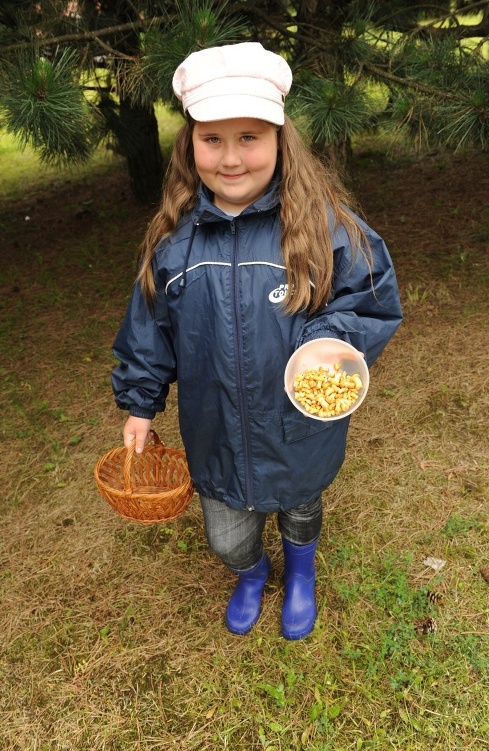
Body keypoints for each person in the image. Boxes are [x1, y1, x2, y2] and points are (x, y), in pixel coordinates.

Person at [111, 42, 402, 640]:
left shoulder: (325, 228)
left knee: (299, 503)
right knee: (225, 531)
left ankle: (300, 572)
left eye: (249, 137)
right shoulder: (175, 246)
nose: (231, 158)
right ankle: (251, 572)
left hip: (297, 428)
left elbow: (371, 298)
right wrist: (140, 403)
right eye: (212, 139)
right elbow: (150, 328)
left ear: (279, 139)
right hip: (213, 428)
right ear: (190, 146)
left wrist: (322, 343)